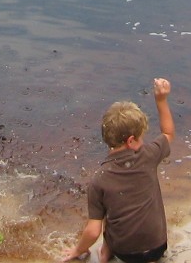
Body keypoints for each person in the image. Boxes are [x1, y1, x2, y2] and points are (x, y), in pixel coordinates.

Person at [62, 78, 175, 263]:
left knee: (109, 209)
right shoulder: (149, 155)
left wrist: (77, 250)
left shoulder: (99, 179)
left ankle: (106, 251)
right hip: (157, 247)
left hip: (126, 253)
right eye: (141, 138)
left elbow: (93, 231)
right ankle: (113, 250)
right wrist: (161, 100)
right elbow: (168, 133)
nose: (143, 142)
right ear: (131, 141)